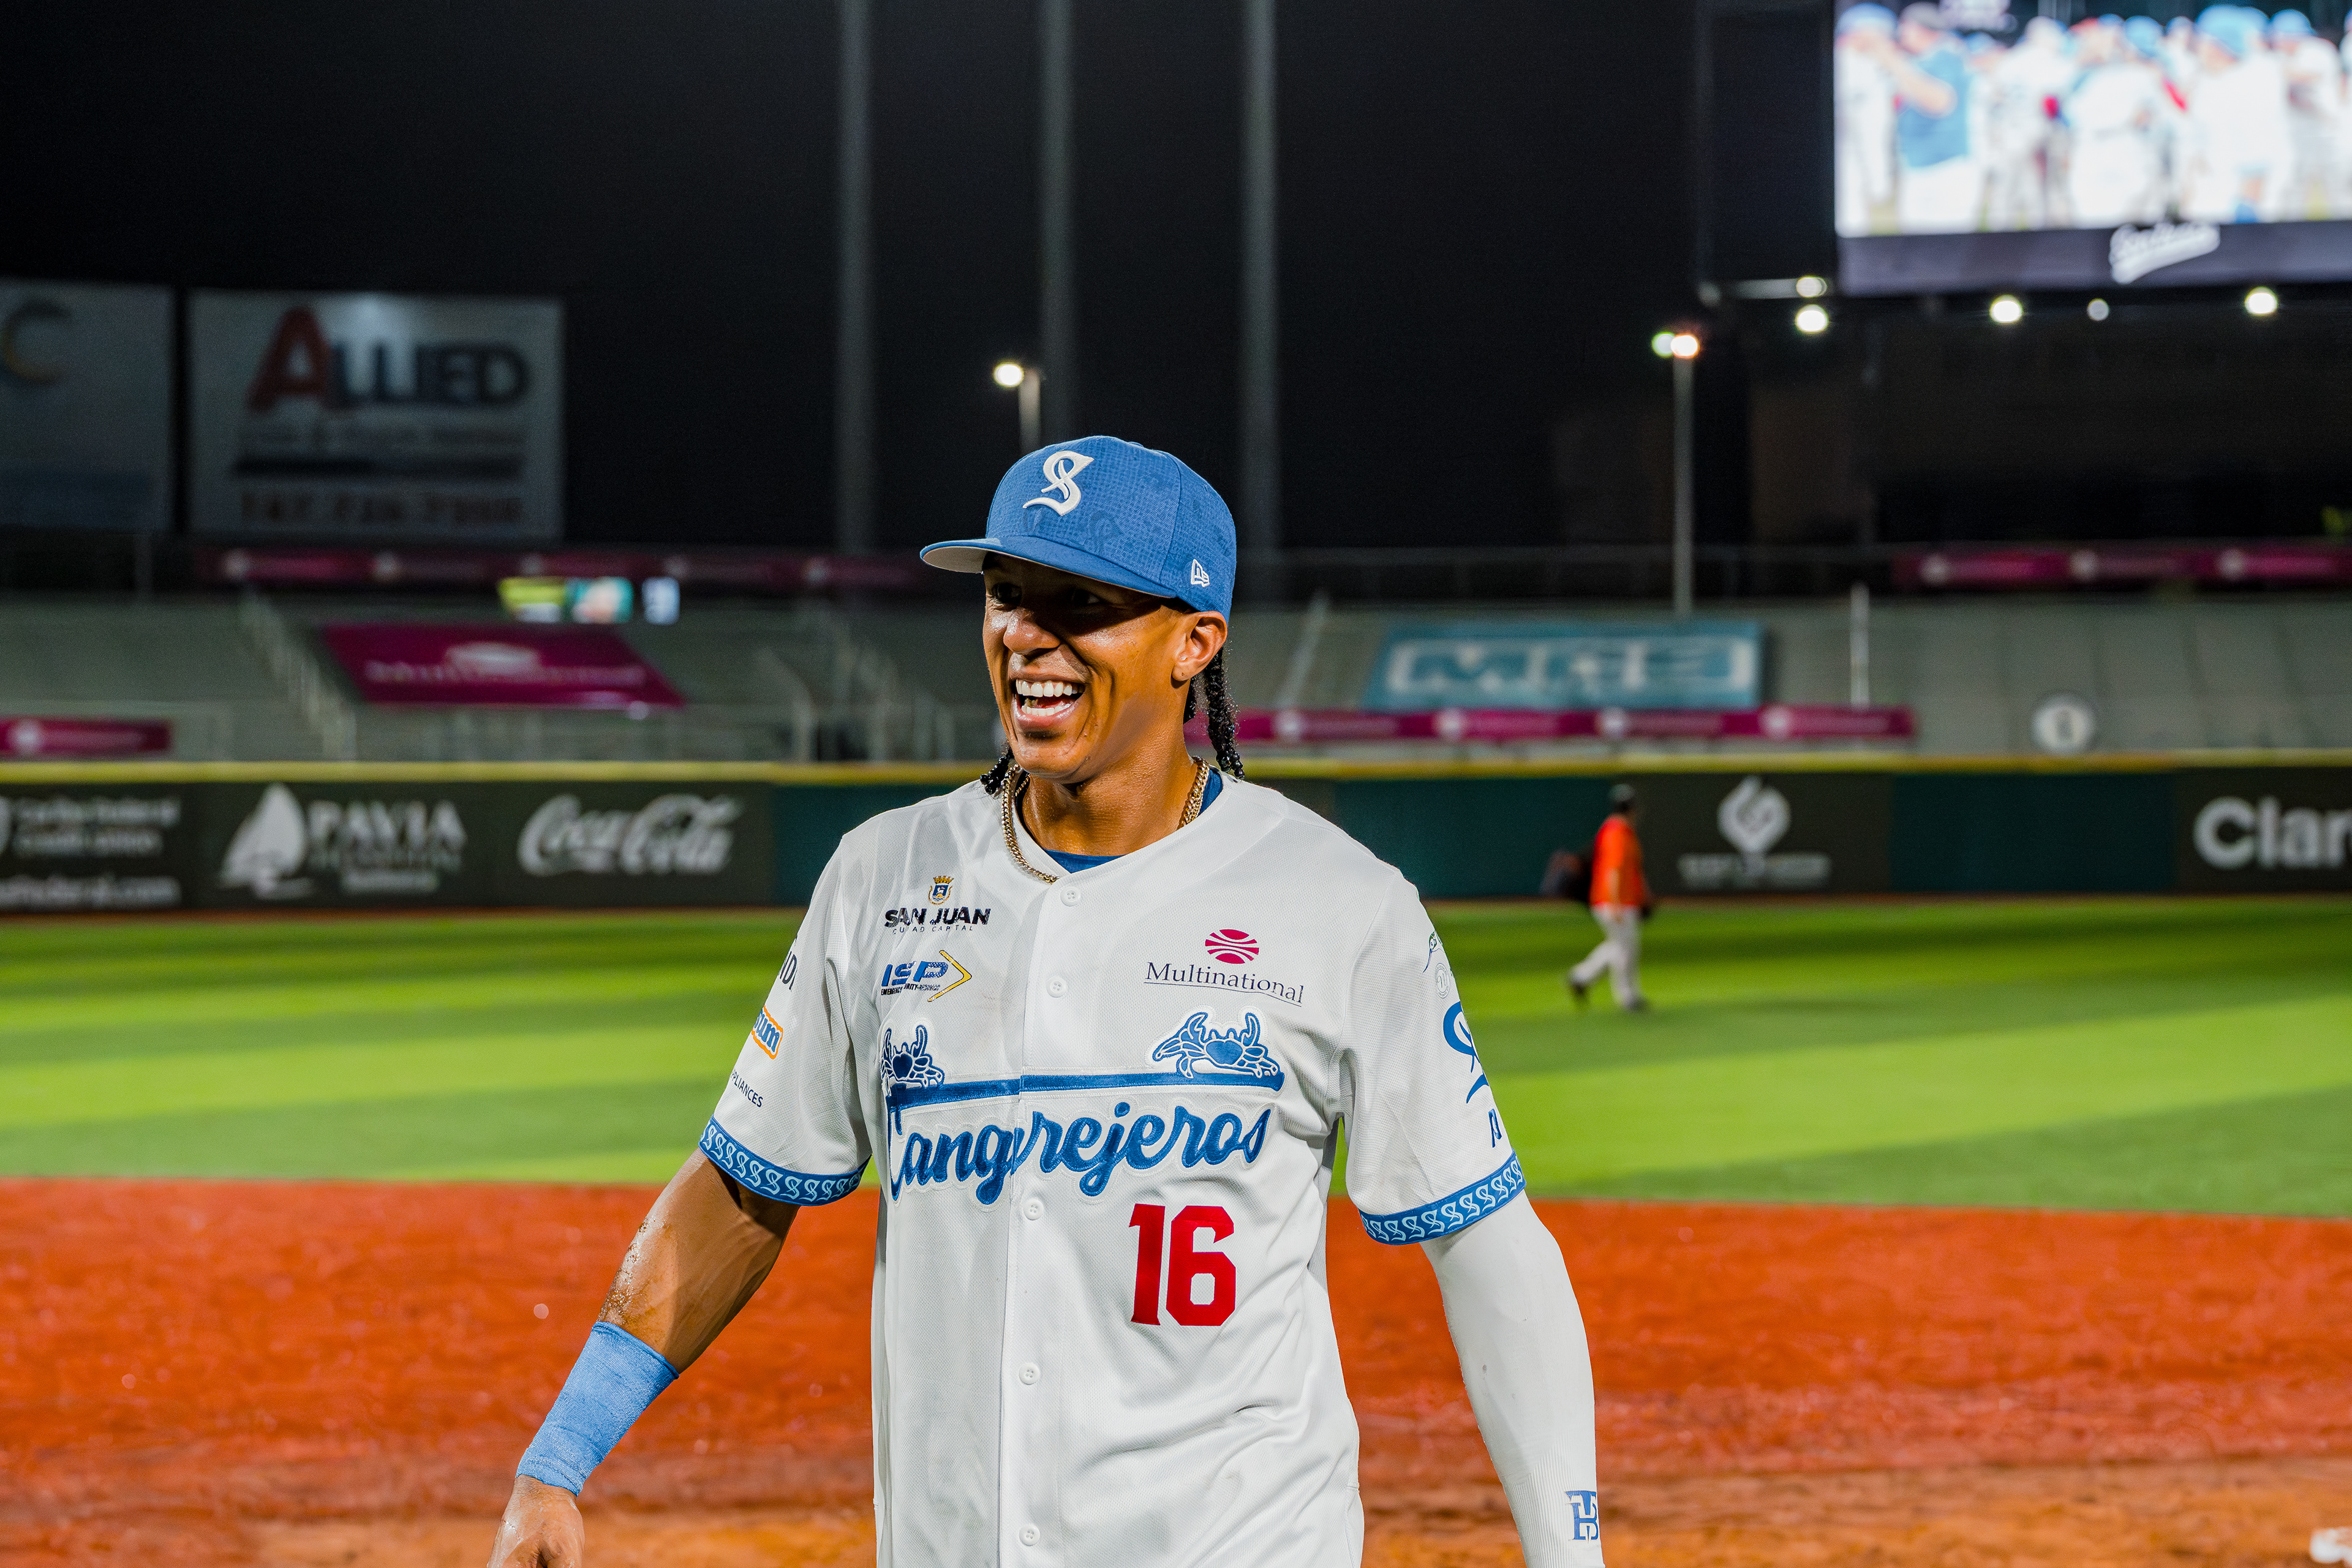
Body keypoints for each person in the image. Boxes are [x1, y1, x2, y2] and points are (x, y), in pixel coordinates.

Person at [484, 436, 1605, 1568]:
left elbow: (1487, 1244)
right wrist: (557, 1461)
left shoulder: (1340, 903)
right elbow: (743, 1183)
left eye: (1082, 604)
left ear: (1195, 642)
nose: (1027, 634)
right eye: (1007, 595)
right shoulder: (882, 873)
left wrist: (1574, 1557)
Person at [2182, 6, 2294, 222]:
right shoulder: (2210, 82)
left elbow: (2257, 152)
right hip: (2212, 184)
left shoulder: (2249, 85)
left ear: (2218, 46)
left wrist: (2247, 207)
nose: (2197, 47)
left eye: (2201, 40)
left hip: (2240, 195)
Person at [1565, 784, 1648, 1013]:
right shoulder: (1617, 832)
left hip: (1617, 900)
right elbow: (1614, 870)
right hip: (1614, 901)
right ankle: (1627, 997)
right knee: (1625, 949)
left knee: (1619, 946)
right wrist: (1614, 904)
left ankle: (1580, 977)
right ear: (1632, 809)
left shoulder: (1618, 830)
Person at [1836, 4, 1901, 235]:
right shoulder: (1840, 59)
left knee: (1862, 213)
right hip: (1843, 149)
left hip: (1868, 147)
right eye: (1879, 33)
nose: (1883, 39)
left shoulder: (1879, 62)